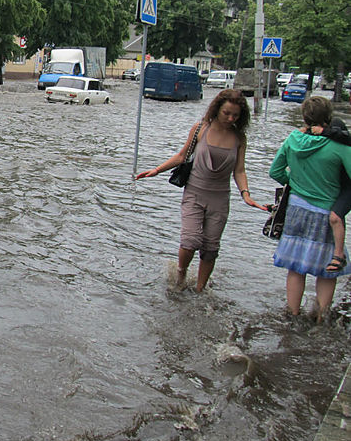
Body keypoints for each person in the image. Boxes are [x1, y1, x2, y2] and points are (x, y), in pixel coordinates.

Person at [136, 89, 267, 291]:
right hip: (194, 193)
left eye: (236, 115)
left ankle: (200, 289)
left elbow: (239, 170)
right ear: (217, 109)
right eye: (227, 113)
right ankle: (180, 275)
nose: (231, 118)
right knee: (190, 241)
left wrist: (246, 194)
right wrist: (156, 170)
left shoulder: (239, 138)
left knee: (210, 248)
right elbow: (182, 156)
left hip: (220, 198)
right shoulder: (200, 129)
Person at [270, 97, 351, 319]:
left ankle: (292, 314)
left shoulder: (293, 139)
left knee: (296, 267)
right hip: (326, 211)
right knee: (327, 269)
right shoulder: (339, 145)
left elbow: (275, 172)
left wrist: (295, 181)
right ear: (329, 117)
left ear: (304, 117)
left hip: (296, 209)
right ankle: (320, 318)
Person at [305, 116, 351, 263]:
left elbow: (344, 136)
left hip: (348, 187)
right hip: (336, 186)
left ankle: (339, 255)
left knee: (335, 217)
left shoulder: (343, 140)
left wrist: (325, 132)